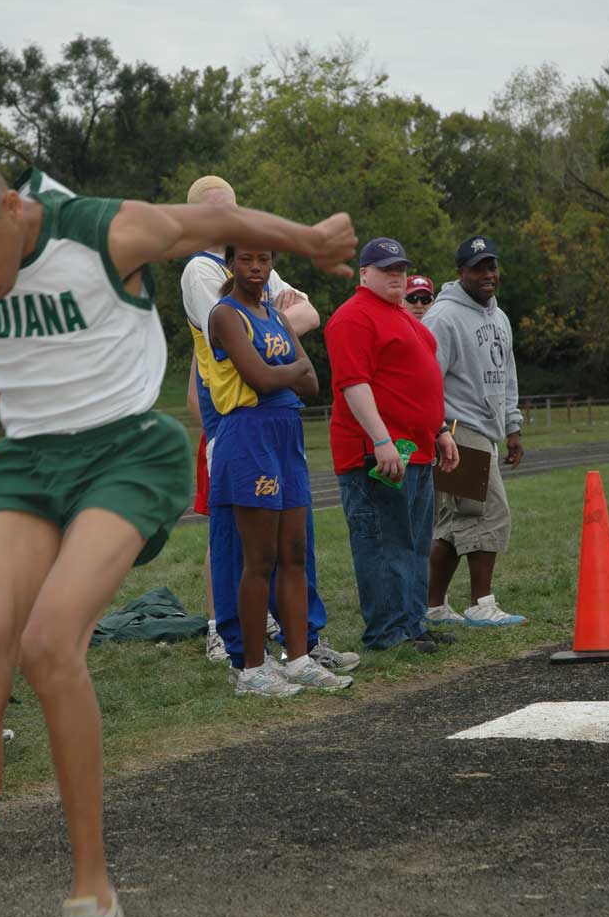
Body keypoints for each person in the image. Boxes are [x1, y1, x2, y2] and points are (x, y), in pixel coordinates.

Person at [0, 150, 356, 917]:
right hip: (29, 465)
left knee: (50, 641)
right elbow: (20, 346)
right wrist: (0, 383)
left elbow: (208, 224)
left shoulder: (104, 230)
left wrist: (309, 239)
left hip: (127, 457)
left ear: (17, 209)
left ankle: (93, 901)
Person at [180, 176, 360, 679]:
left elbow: (309, 318)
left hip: (281, 420)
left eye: (233, 210)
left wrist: (274, 326)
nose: (229, 220)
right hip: (235, 418)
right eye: (216, 214)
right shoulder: (201, 269)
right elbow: (243, 339)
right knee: (243, 543)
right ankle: (235, 643)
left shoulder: (251, 260)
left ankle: (304, 643)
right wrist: (275, 327)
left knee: (293, 544)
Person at [208, 245, 352, 695]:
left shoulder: (277, 315)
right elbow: (261, 378)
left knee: (294, 552)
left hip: (286, 434)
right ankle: (251, 669)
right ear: (230, 263)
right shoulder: (225, 315)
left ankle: (299, 659)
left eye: (265, 260)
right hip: (248, 436)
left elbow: (312, 383)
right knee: (260, 558)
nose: (256, 269)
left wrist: (283, 370)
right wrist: (290, 368)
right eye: (247, 259)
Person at [324, 237, 459, 652]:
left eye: (400, 268)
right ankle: (387, 633)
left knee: (415, 542)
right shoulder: (354, 317)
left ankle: (412, 624)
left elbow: (418, 382)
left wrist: (438, 430)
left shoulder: (402, 317)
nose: (396, 276)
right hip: (377, 451)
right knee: (383, 542)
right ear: (365, 274)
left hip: (415, 449)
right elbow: (353, 383)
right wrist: (381, 439)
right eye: (386, 269)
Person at [422, 235, 526, 626]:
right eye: (479, 267)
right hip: (456, 426)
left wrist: (512, 426)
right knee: (489, 513)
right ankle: (481, 603)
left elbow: (508, 375)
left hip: (487, 428)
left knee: (453, 523)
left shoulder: (499, 317)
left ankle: (433, 606)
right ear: (460, 272)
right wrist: (437, 429)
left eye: (492, 266)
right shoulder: (443, 317)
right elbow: (428, 378)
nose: (488, 275)